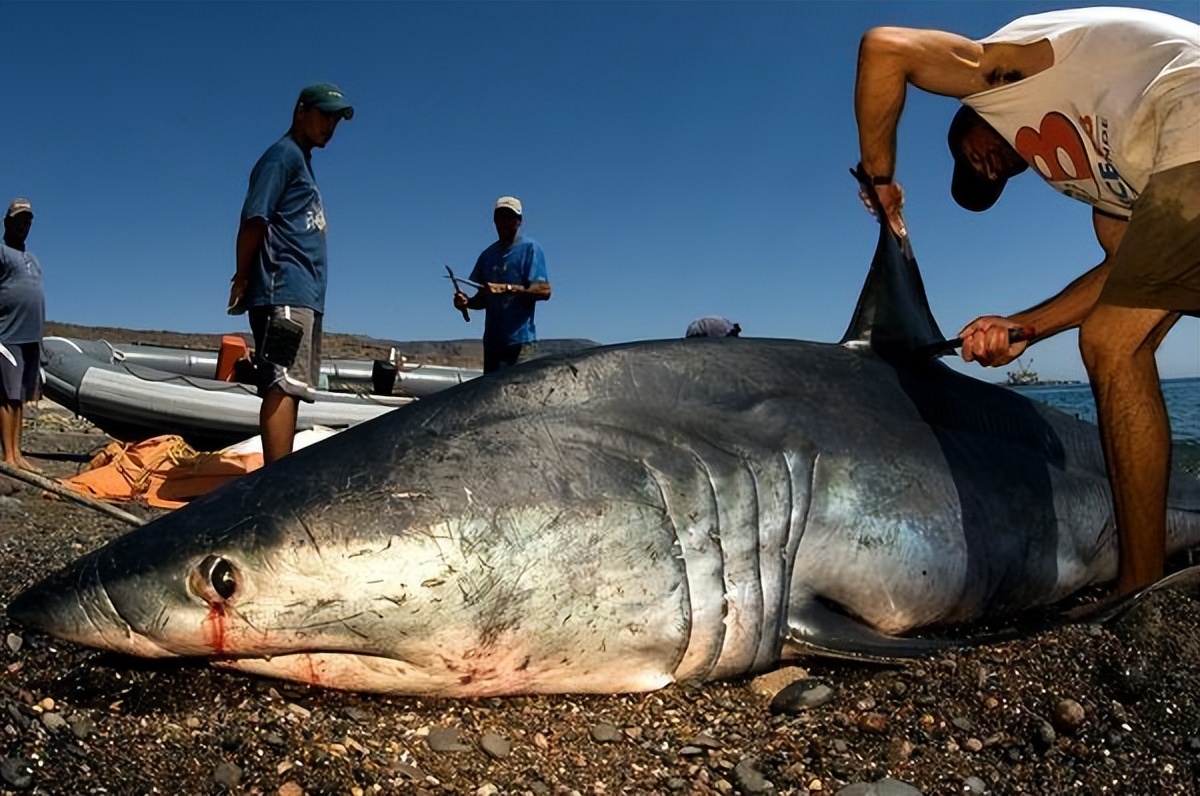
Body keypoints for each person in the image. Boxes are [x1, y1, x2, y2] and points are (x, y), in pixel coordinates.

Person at [853, 7, 1199, 596]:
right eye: (987, 180)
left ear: (969, 119)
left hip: (1188, 101)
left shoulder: (1002, 70)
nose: (985, 169)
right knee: (1126, 331)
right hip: (1173, 160)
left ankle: (1139, 593)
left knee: (1112, 344)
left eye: (973, 157)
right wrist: (1023, 328)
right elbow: (1123, 274)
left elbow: (886, 48)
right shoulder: (1100, 181)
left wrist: (880, 183)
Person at [227, 84, 354, 464]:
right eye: (324, 115)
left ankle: (278, 473)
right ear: (301, 111)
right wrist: (242, 275)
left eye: (336, 119)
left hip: (303, 294)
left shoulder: (301, 161)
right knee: (281, 383)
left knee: (292, 385)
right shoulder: (282, 157)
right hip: (283, 290)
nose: (330, 125)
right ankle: (275, 481)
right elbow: (254, 220)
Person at [454, 196, 552, 373]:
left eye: (510, 217)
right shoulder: (487, 255)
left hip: (521, 343)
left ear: (519, 220)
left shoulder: (531, 248)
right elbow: (482, 299)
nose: (504, 222)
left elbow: (544, 291)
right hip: (492, 344)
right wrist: (466, 303)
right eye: (500, 217)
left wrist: (506, 288)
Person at [0, 198, 45, 475]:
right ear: (7, 223)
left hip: (31, 335)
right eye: (18, 221)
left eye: (27, 221)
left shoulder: (33, 259)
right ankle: (8, 457)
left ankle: (18, 453)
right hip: (7, 334)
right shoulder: (1, 253)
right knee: (7, 395)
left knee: (21, 397)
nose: (23, 226)